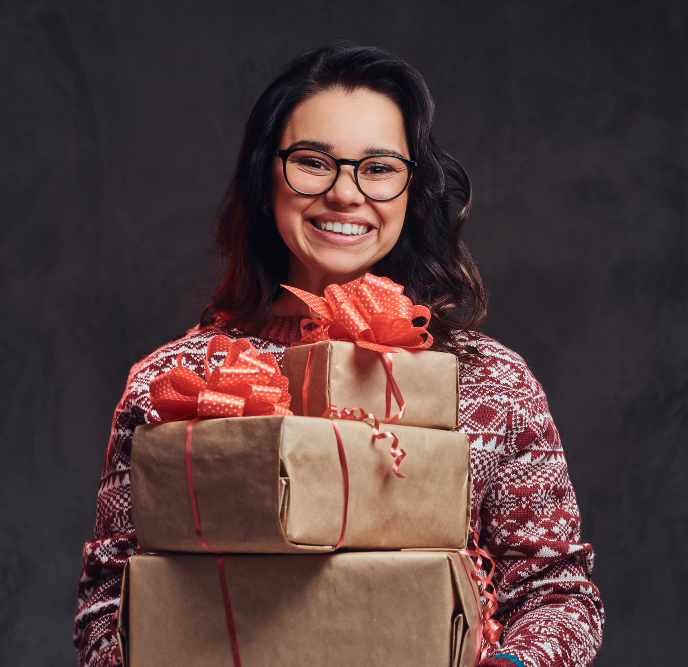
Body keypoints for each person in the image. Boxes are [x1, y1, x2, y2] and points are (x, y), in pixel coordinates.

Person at [73, 39, 605, 667]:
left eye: (379, 168)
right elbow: (110, 607)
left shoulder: (488, 383)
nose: (346, 194)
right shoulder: (175, 383)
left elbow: (556, 593)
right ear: (264, 175)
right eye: (313, 162)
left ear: (414, 189)